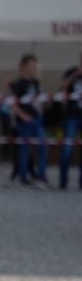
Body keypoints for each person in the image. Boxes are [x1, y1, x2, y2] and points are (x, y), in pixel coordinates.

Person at [7, 54, 50, 188]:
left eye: (35, 65)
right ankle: (23, 178)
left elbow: (38, 98)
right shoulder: (18, 84)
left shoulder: (35, 82)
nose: (34, 68)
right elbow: (12, 103)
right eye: (31, 65)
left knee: (43, 146)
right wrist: (22, 115)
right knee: (24, 150)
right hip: (24, 120)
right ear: (24, 66)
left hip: (36, 118)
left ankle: (41, 176)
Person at [59, 55, 82, 190]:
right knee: (67, 148)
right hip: (72, 115)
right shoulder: (71, 71)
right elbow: (61, 85)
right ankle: (63, 180)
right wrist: (74, 75)